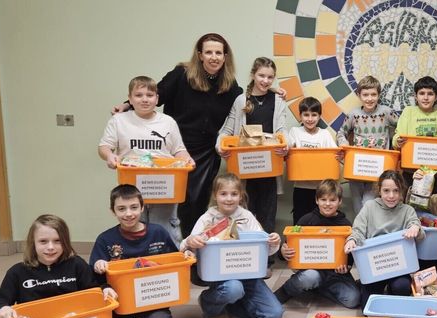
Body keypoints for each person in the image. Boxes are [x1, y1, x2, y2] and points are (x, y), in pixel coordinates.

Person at [112, 33, 242, 238]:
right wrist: (127, 105)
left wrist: (271, 91)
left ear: (225, 56)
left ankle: (193, 245)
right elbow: (157, 93)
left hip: (206, 151)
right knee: (173, 200)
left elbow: (245, 102)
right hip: (176, 148)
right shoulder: (182, 73)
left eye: (218, 53)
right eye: (208, 52)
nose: (214, 57)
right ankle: (165, 244)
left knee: (197, 200)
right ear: (200, 55)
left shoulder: (229, 83)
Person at [99, 76, 194, 245]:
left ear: (157, 99)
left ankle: (170, 262)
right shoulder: (119, 121)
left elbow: (178, 150)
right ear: (129, 98)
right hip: (133, 186)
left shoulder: (168, 122)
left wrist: (187, 159)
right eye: (139, 95)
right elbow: (105, 146)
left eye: (150, 95)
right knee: (134, 226)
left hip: (164, 185)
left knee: (165, 226)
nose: (144, 99)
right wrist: (109, 156)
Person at [182, 173, 284, 318]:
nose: (229, 199)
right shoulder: (207, 218)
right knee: (234, 288)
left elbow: (263, 249)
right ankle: (209, 303)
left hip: (249, 275)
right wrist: (190, 242)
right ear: (215, 195)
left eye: (234, 194)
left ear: (241, 196)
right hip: (221, 276)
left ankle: (233, 303)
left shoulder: (247, 216)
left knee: (273, 314)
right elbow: (186, 248)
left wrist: (273, 241)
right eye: (223, 194)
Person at [90, 185, 179, 318]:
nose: (128, 213)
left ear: (142, 207)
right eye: (121, 209)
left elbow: (174, 260)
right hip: (119, 304)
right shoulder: (105, 239)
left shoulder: (158, 232)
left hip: (150, 299)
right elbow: (93, 276)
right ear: (112, 211)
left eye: (134, 207)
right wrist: (98, 264)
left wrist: (186, 253)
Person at [217, 57, 288, 235]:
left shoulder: (278, 100)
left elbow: (282, 130)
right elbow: (226, 130)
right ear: (253, 75)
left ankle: (267, 257)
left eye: (270, 77)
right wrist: (221, 146)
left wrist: (286, 145)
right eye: (261, 75)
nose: (265, 80)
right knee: (244, 212)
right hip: (246, 167)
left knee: (268, 213)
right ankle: (246, 253)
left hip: (269, 167)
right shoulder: (241, 100)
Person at [344, 170, 425, 306]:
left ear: (402, 192)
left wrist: (415, 228)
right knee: (367, 308)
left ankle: (392, 291)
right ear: (379, 190)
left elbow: (418, 230)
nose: (391, 196)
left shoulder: (407, 210)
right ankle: (372, 288)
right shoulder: (369, 207)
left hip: (399, 267)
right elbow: (358, 230)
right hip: (375, 266)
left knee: (402, 287)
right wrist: (352, 240)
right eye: (386, 190)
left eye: (396, 191)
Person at [276, 179, 360, 308]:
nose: (327, 204)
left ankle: (317, 288)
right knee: (310, 277)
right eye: (323, 199)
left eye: (332, 200)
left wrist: (346, 267)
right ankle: (287, 290)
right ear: (316, 200)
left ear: (340, 201)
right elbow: (289, 246)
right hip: (313, 271)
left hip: (336, 275)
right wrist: (283, 251)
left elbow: (349, 255)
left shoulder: (346, 224)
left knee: (353, 299)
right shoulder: (306, 220)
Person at [336, 75, 399, 214]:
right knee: (358, 205)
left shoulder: (386, 112)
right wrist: (345, 145)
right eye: (365, 95)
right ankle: (362, 234)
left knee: (368, 203)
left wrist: (397, 142)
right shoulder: (354, 114)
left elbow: (401, 128)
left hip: (378, 169)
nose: (369, 98)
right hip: (356, 169)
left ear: (379, 95)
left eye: (373, 94)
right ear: (359, 95)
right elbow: (341, 133)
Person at [392, 76, 437, 187]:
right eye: (422, 93)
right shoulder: (408, 112)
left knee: (436, 203)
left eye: (430, 94)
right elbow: (397, 137)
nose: (426, 97)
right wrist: (398, 141)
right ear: (415, 96)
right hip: (411, 172)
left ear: (436, 97)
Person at [287, 97, 339, 223]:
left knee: (320, 222)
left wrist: (340, 156)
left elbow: (334, 154)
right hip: (301, 187)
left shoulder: (324, 134)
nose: (310, 119)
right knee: (299, 221)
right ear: (300, 116)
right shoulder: (295, 132)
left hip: (321, 189)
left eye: (314, 115)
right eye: (306, 115)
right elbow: (288, 149)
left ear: (319, 116)